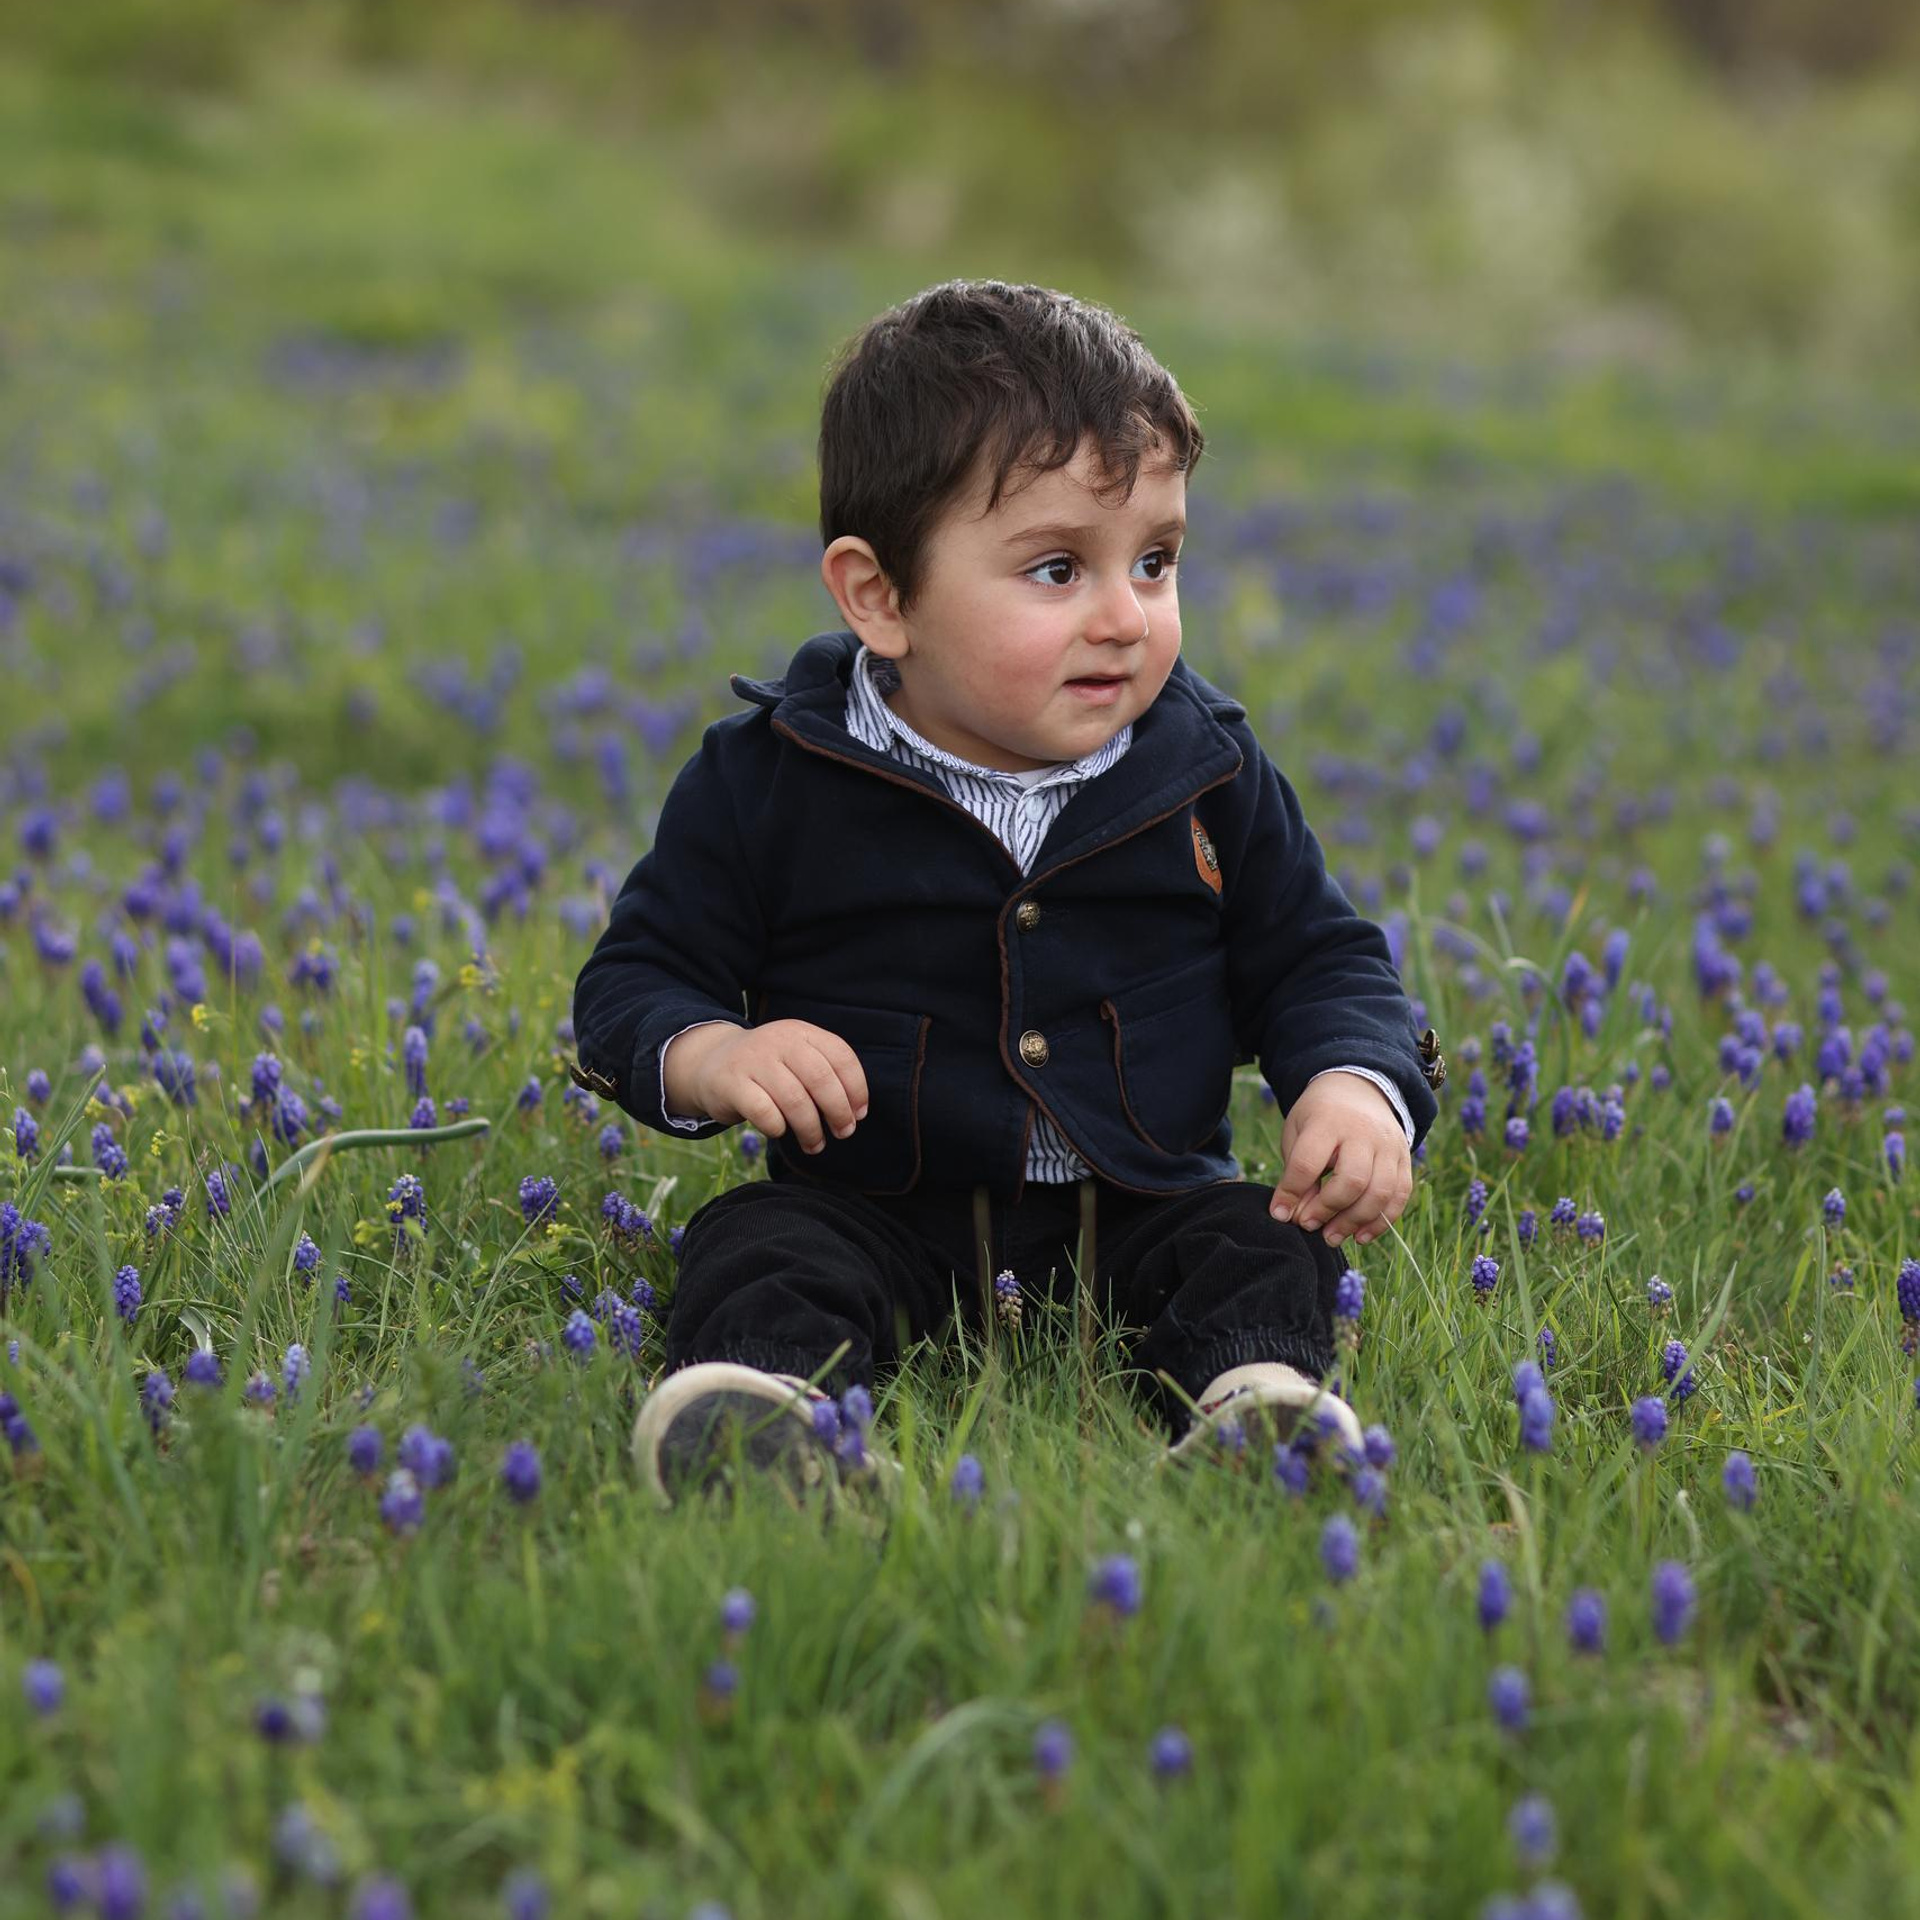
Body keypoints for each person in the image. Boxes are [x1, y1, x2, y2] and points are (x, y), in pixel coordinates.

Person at [571, 279, 1444, 1510]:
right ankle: (766, 1426)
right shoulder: (773, 780)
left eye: (1154, 561)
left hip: (1137, 1205)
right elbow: (634, 980)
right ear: (879, 596)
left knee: (1259, 1242)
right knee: (757, 1251)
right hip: (875, 1205)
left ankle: (1259, 1413)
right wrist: (714, 1052)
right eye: (1055, 570)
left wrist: (1356, 1086)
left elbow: (1319, 957)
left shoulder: (1204, 771)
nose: (1124, 618)